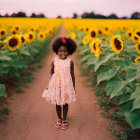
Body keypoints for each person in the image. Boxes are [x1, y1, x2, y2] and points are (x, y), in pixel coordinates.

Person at [43, 36, 77, 130]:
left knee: (65, 103)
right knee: (57, 103)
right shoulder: (54, 61)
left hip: (66, 86)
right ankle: (59, 119)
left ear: (69, 51)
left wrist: (73, 87)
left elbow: (73, 75)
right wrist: (48, 85)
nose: (63, 53)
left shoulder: (70, 62)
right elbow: (51, 73)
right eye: (60, 51)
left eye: (65, 51)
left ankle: (64, 119)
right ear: (56, 51)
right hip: (56, 85)